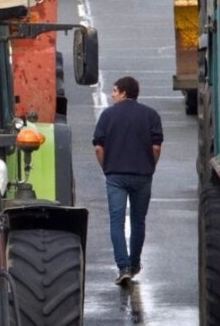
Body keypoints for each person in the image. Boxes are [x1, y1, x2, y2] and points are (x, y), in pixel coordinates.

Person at [92, 76, 164, 285]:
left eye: (114, 91)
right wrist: (150, 167)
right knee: (138, 221)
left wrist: (106, 168)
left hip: (115, 176)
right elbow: (156, 147)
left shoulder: (107, 115)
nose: (111, 94)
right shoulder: (151, 115)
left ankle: (122, 266)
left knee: (117, 221)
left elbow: (98, 147)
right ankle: (134, 264)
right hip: (143, 175)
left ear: (124, 93)